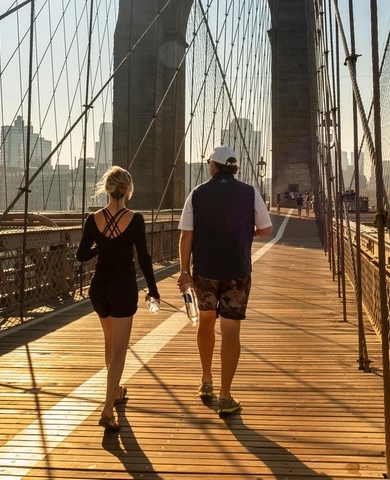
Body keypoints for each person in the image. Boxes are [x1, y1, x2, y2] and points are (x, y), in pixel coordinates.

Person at [178, 146, 272, 415]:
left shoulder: (197, 193)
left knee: (206, 321)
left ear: (213, 166)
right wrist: (245, 231)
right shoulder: (249, 192)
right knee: (231, 332)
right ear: (234, 168)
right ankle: (225, 395)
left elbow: (186, 235)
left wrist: (185, 271)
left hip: (205, 270)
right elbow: (265, 230)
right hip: (237, 271)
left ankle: (206, 381)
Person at [76, 166, 159, 432]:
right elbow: (144, 257)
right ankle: (107, 408)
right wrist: (153, 288)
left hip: (99, 287)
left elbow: (80, 255)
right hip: (123, 288)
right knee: (121, 348)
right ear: (128, 189)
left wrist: (99, 249)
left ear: (107, 188)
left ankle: (117, 391)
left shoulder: (93, 218)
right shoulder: (135, 220)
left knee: (110, 342)